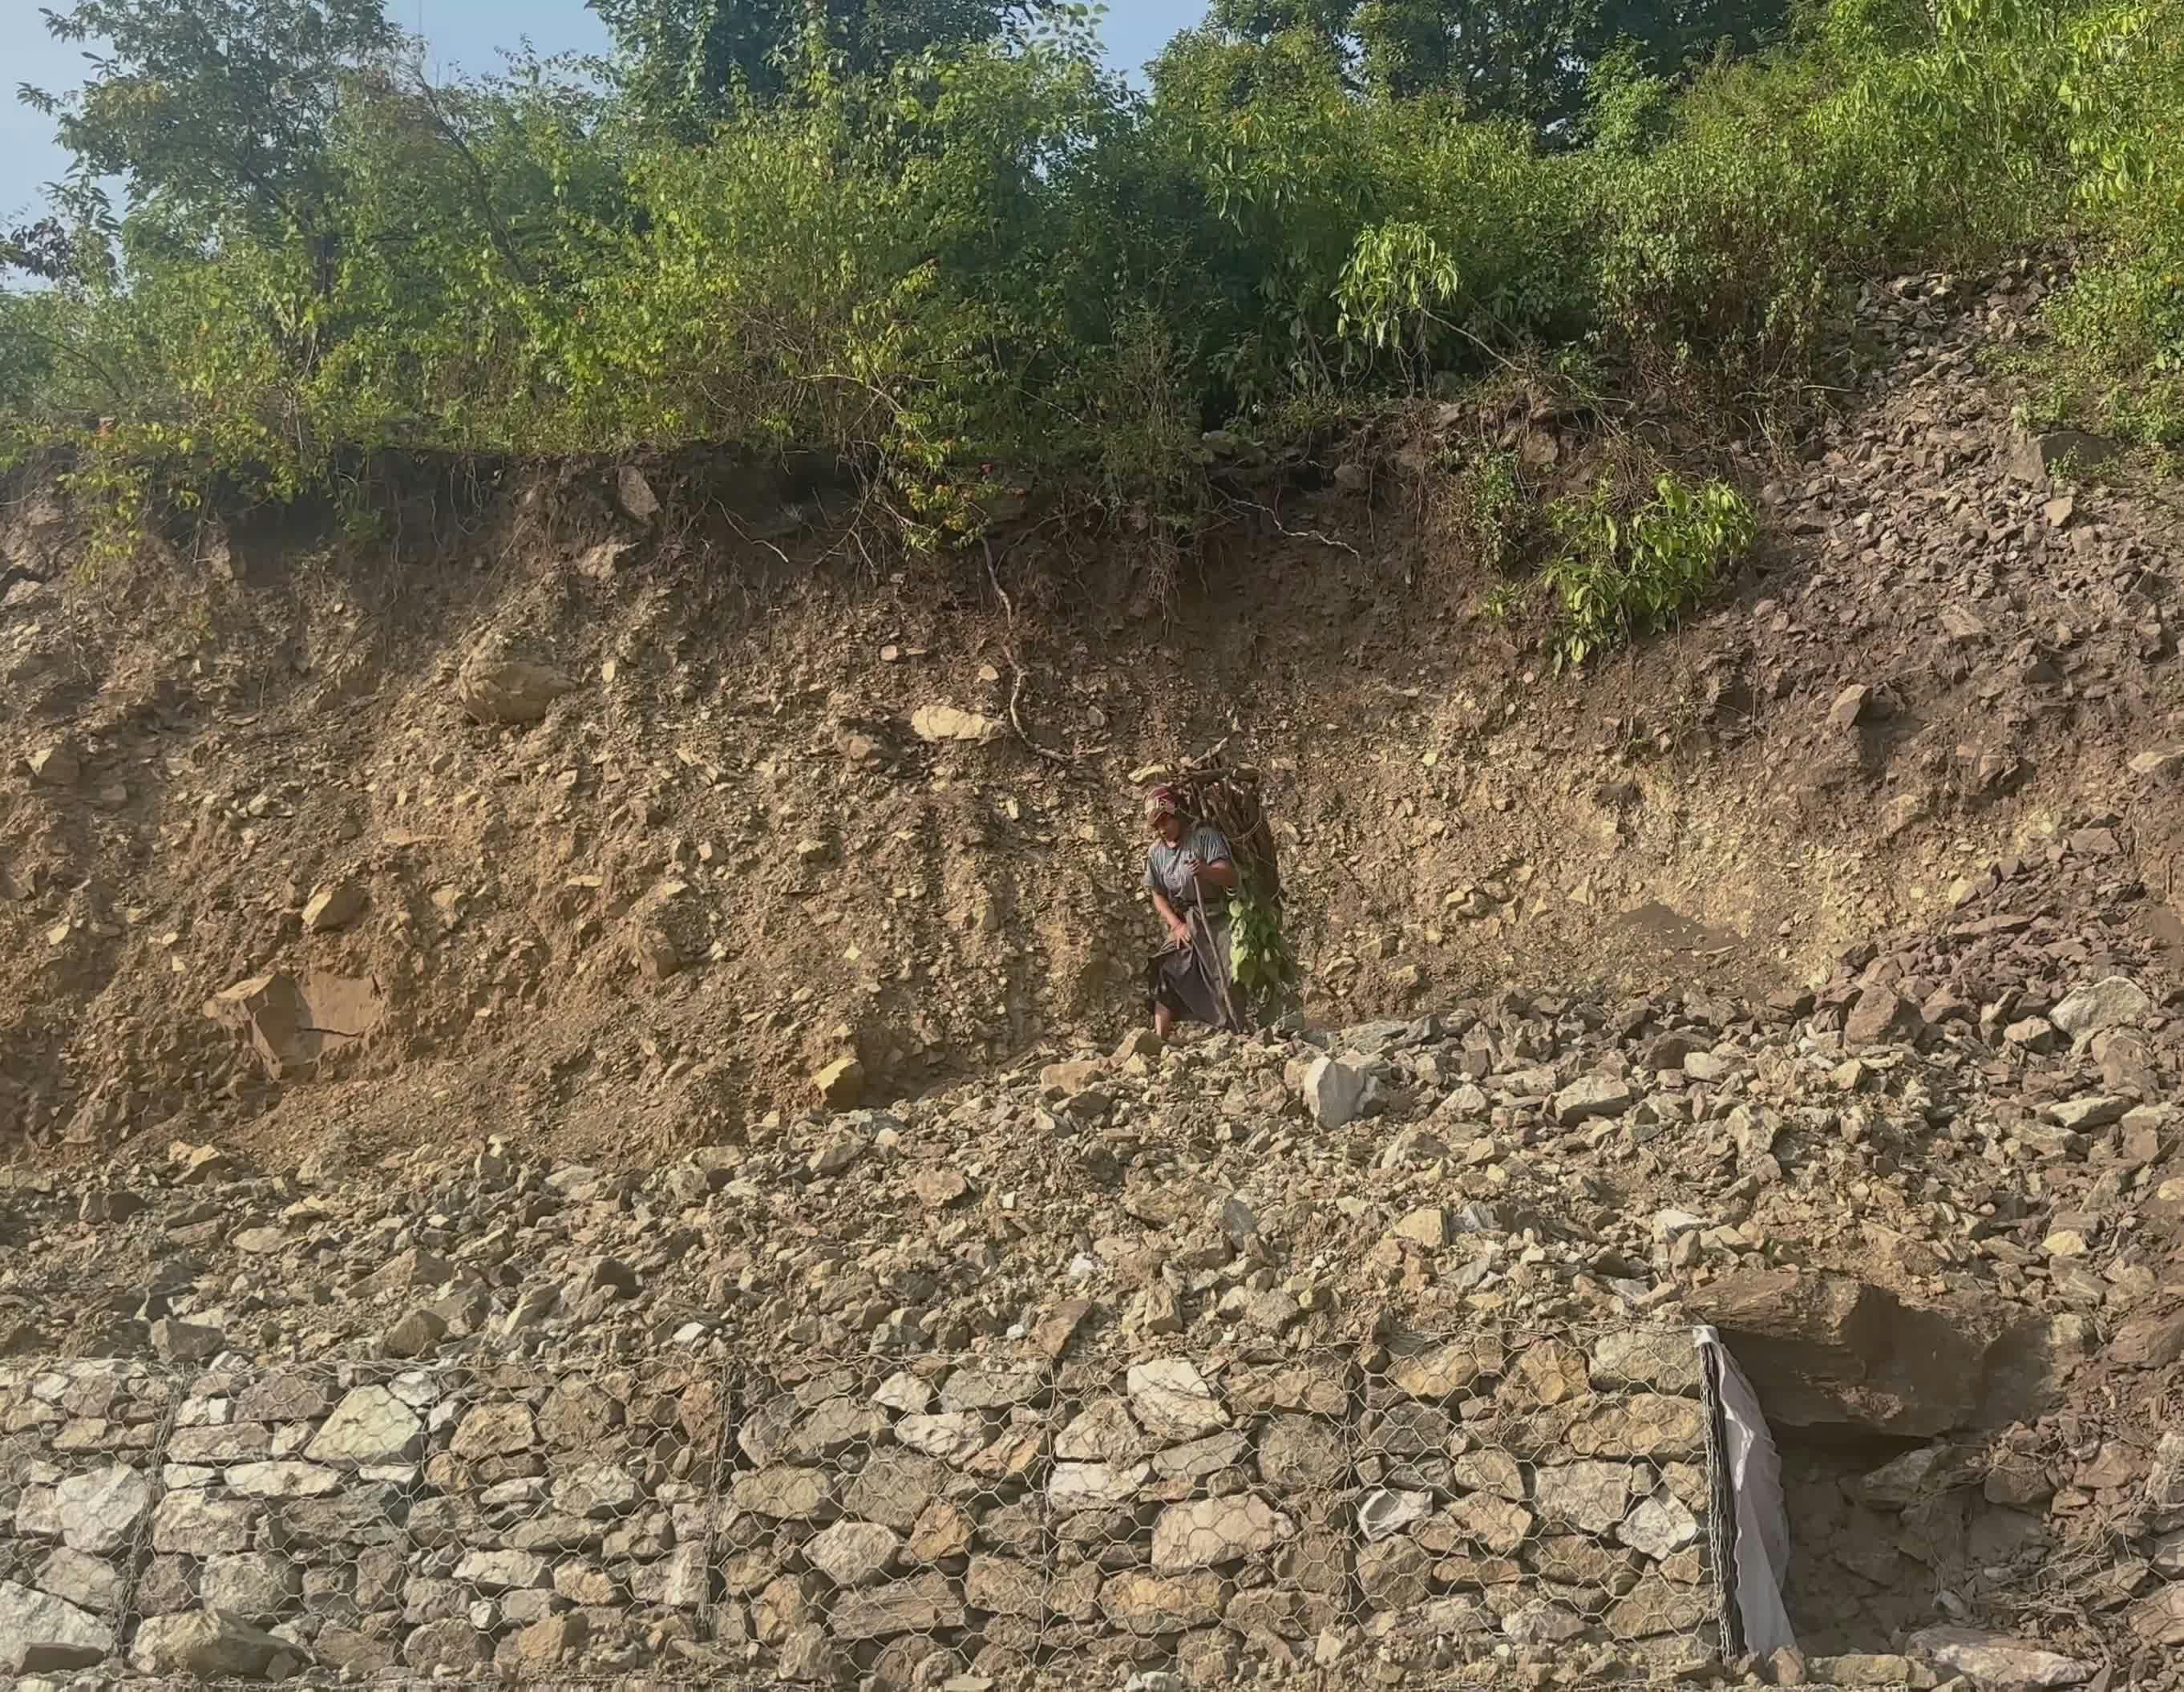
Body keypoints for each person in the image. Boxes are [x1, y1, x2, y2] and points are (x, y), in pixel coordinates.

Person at [1143, 784, 1240, 1038]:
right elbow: (1157, 893)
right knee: (1166, 967)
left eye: (1166, 821)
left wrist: (1206, 871)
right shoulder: (1156, 853)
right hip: (1186, 919)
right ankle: (1159, 1038)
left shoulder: (1204, 837)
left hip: (1215, 915)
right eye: (1156, 826)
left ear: (1178, 814)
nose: (1162, 829)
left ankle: (1236, 1030)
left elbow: (1230, 876)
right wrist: (1176, 925)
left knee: (1223, 974)